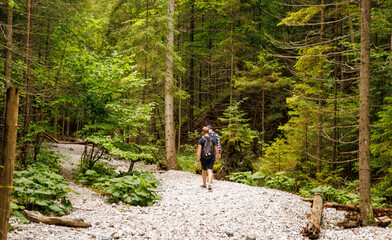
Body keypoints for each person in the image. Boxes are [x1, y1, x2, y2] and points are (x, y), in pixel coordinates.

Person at [197, 127, 219, 191]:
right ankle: (209, 183)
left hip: (203, 157)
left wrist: (197, 160)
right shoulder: (213, 139)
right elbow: (216, 149)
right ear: (209, 132)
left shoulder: (201, 140)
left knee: (204, 170)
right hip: (211, 156)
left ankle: (204, 184)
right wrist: (216, 156)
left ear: (203, 132)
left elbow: (199, 150)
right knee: (210, 170)